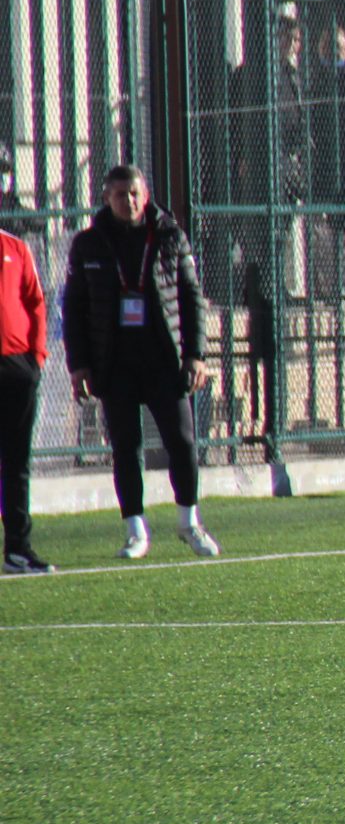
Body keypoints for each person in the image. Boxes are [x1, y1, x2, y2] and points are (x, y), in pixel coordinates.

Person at [62, 165, 218, 560]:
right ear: (106, 198)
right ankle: (135, 529)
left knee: (181, 442)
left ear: (145, 195)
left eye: (134, 193)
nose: (128, 201)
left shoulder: (168, 235)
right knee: (126, 447)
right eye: (119, 195)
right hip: (114, 363)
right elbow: (74, 308)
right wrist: (79, 364)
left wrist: (196, 353)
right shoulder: (89, 244)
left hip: (164, 360)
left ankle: (189, 522)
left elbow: (190, 296)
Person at [1, 216, 49, 573]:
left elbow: (35, 302)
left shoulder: (15, 248)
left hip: (17, 367)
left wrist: (36, 359)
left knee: (17, 461)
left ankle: (18, 547)